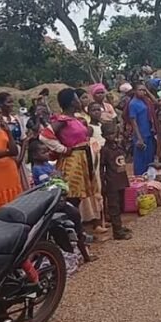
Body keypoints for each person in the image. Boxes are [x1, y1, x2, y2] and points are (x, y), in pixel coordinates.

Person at [51, 88, 105, 234]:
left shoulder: (75, 118)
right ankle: (74, 233)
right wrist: (61, 149)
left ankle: (77, 233)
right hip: (72, 161)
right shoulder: (62, 120)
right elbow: (45, 135)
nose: (79, 101)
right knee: (72, 198)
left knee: (79, 197)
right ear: (71, 102)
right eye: (76, 98)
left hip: (82, 159)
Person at [100, 123, 133, 240]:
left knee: (121, 205)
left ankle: (119, 226)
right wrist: (103, 182)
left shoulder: (119, 147)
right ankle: (117, 231)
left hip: (121, 179)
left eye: (113, 133)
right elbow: (101, 167)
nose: (111, 136)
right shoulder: (104, 150)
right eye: (108, 134)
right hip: (111, 181)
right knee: (114, 206)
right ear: (103, 135)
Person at [128, 83, 157, 176]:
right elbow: (134, 122)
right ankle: (139, 179)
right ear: (135, 91)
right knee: (140, 161)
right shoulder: (133, 104)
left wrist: (147, 92)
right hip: (140, 135)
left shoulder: (146, 101)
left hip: (149, 133)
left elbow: (156, 102)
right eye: (140, 90)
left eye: (144, 90)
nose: (142, 92)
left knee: (149, 159)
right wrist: (139, 138)